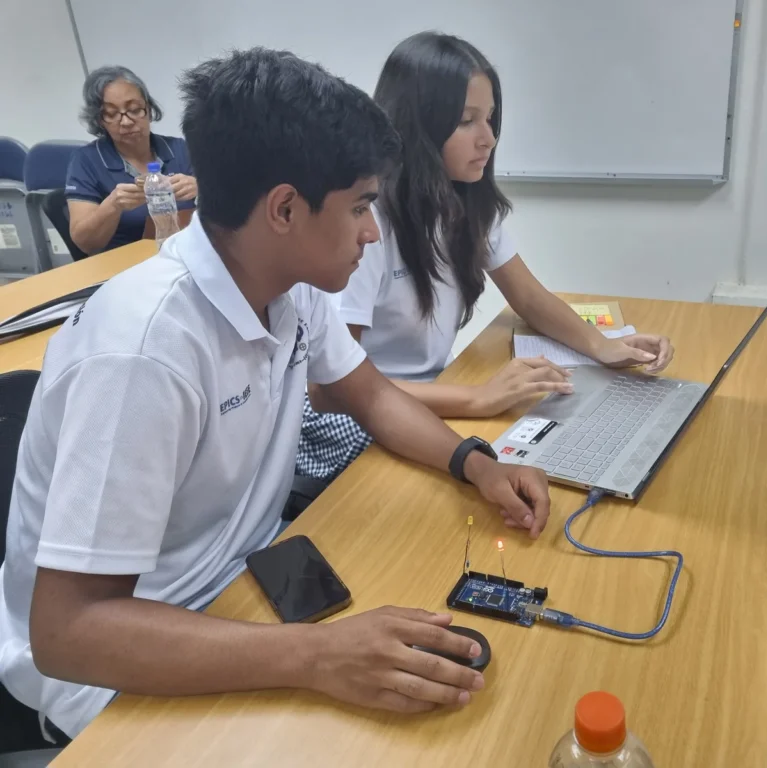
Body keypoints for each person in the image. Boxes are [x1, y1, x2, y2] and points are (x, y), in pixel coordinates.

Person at [0, 48, 549, 741]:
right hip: (120, 666)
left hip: (241, 591)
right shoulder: (143, 351)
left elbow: (372, 396)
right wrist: (318, 656)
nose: (372, 231)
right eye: (359, 207)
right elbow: (69, 634)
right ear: (285, 209)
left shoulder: (289, 288)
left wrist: (476, 463)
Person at [297, 32, 676, 481]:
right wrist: (476, 398)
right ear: (418, 126)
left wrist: (604, 347)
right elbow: (331, 389)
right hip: (356, 415)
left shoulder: (466, 202)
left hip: (430, 392)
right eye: (466, 121)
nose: (489, 139)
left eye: (491, 118)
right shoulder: (370, 219)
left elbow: (529, 297)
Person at [66, 65, 198, 255]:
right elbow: (85, 243)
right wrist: (113, 205)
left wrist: (201, 188)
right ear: (100, 120)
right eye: (111, 114)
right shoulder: (86, 160)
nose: (126, 121)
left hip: (184, 254)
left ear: (149, 109)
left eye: (135, 110)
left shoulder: (180, 149)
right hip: (123, 268)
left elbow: (229, 209)